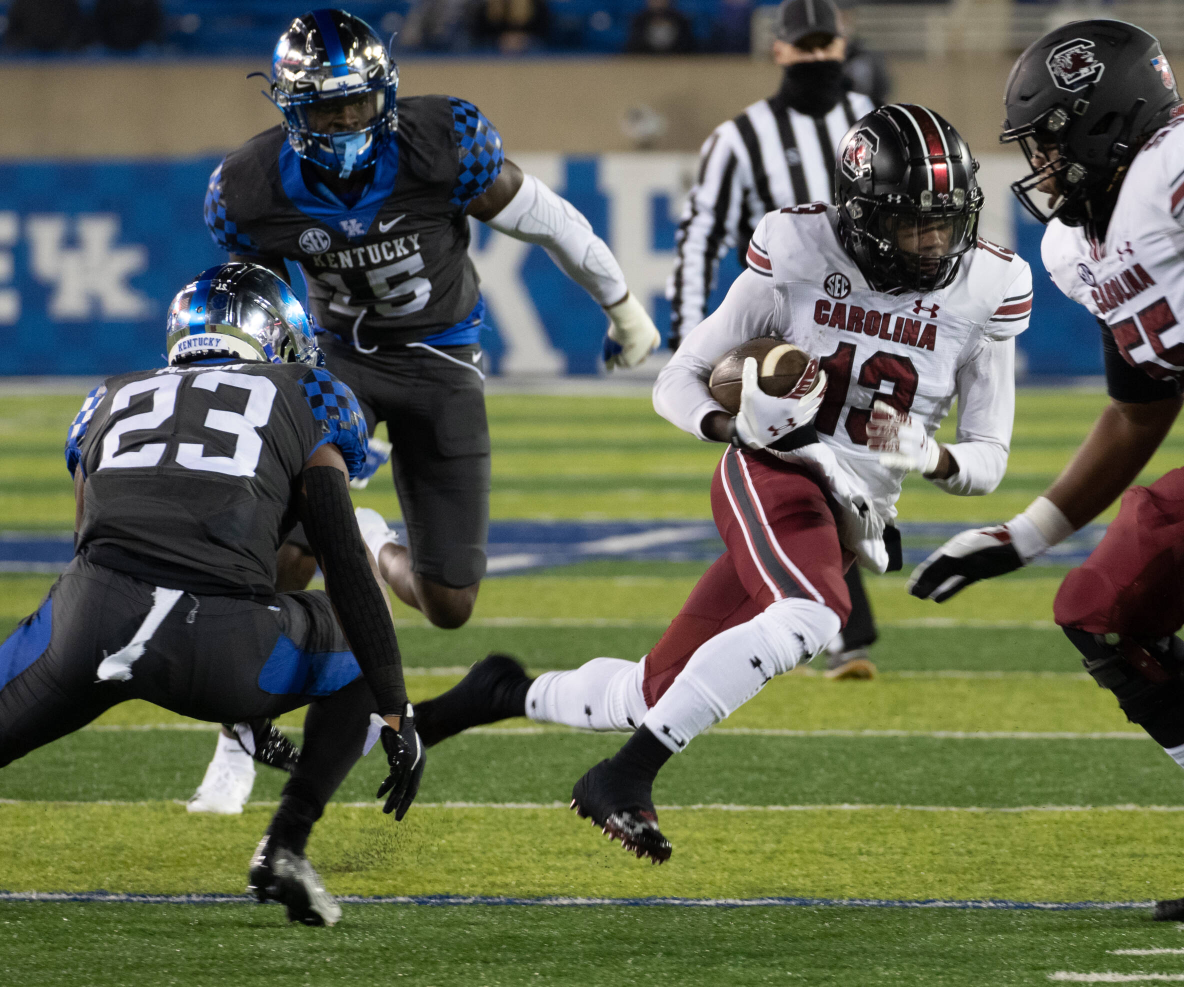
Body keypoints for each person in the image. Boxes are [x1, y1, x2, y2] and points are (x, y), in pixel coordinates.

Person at [417, 104, 1033, 862]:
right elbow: (677, 381)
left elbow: (988, 458)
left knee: (649, 692)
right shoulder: (800, 248)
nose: (935, 240)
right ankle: (627, 777)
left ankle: (493, 694)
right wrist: (738, 426)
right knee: (814, 614)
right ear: (865, 214)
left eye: (947, 219)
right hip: (775, 465)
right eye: (913, 223)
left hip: (850, 510)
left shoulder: (990, 286)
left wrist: (927, 455)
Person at [190, 8, 661, 813]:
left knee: (449, 602)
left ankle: (369, 543)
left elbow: (546, 217)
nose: (343, 123)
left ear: (387, 94)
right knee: (283, 555)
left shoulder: (441, 143)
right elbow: (254, 301)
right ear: (289, 108)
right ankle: (238, 729)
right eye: (325, 109)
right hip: (336, 359)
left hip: (441, 360)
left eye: (356, 104)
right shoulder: (251, 187)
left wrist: (623, 308)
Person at [0, 264, 426, 927]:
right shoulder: (303, 392)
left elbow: (87, 541)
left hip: (88, 621)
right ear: (274, 337)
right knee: (353, 639)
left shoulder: (110, 396)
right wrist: (394, 706)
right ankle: (285, 844)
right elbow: (346, 562)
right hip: (221, 643)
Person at [906, 19, 1184, 922]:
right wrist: (1025, 533)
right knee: (1100, 610)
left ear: (1109, 122)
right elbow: (1142, 406)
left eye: (1052, 143)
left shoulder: (1171, 177)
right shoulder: (1080, 247)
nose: (1043, 166)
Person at [667, 0, 879, 678]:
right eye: (804, 44)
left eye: (826, 43)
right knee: (807, 463)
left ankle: (799, 608)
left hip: (872, 328)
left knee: (848, 469)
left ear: (841, 44)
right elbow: (702, 235)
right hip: (782, 334)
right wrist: (690, 343)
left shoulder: (873, 119)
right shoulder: (741, 138)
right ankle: (834, 622)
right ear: (780, 50)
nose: (817, 55)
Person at [625, 0, 695, 56]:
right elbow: (633, 48)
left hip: (676, 64)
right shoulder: (639, 21)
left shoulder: (681, 20)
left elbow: (688, 48)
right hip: (646, 64)